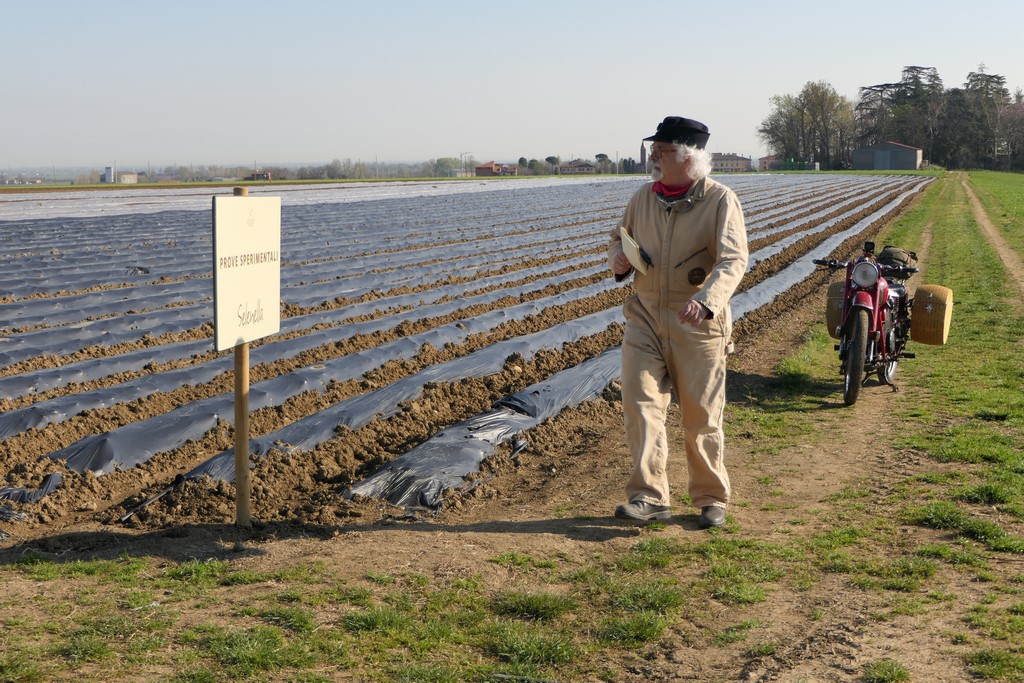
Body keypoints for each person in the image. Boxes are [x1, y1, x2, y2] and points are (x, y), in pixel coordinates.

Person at [608, 116, 748, 528]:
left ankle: (711, 498)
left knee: (701, 415)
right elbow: (619, 236)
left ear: (689, 157)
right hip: (645, 316)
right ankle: (649, 497)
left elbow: (733, 259)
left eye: (663, 150)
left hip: (697, 322)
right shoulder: (643, 197)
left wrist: (708, 301)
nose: (654, 156)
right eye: (655, 149)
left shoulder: (720, 200)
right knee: (640, 405)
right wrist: (617, 257)